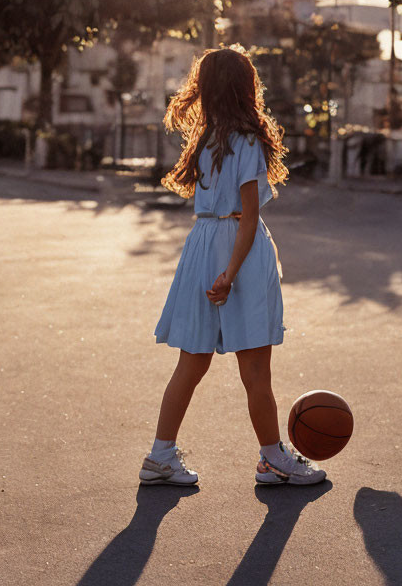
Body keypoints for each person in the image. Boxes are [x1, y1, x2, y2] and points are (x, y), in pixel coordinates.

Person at [139, 46, 326, 488]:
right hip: (235, 249)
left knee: (191, 362)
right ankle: (272, 460)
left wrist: (218, 270)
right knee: (256, 370)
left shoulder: (207, 139)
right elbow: (248, 214)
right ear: (246, 88)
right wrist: (231, 272)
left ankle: (160, 456)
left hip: (202, 245)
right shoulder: (245, 140)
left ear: (205, 90)